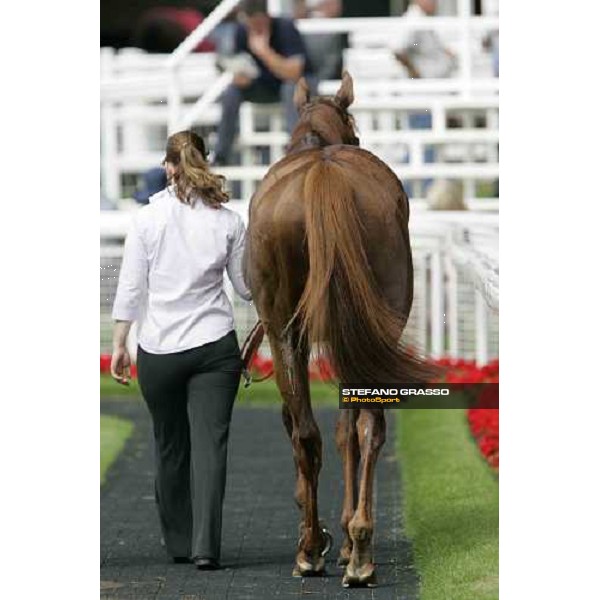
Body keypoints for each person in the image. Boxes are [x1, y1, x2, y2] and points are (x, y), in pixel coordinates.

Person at [110, 130, 252, 570]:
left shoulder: (146, 221)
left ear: (169, 167)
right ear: (203, 162)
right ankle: (206, 547)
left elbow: (132, 288)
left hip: (160, 348)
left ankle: (178, 543)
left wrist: (119, 342)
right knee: (212, 447)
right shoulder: (229, 221)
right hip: (214, 346)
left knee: (170, 445)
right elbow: (246, 289)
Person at [213, 0, 317, 165]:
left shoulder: (285, 27)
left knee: (290, 89)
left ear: (267, 17)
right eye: (251, 23)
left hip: (298, 84)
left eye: (260, 22)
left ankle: (299, 149)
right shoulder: (241, 31)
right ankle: (221, 155)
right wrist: (239, 77)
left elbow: (293, 73)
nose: (256, 27)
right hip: (265, 85)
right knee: (231, 92)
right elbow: (235, 64)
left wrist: (263, 52)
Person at [294, 0, 345, 81]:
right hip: (304, 37)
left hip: (328, 32)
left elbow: (335, 9)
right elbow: (296, 14)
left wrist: (312, 8)